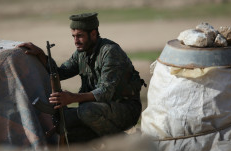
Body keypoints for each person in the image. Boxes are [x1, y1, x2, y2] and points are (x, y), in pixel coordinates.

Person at [18, 12, 145, 143]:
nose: (76, 41)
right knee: (63, 120)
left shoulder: (110, 51)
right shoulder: (81, 53)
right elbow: (61, 73)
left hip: (125, 109)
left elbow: (105, 92)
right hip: (101, 109)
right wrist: (41, 55)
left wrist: (72, 98)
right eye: (73, 36)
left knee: (86, 111)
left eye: (80, 36)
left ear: (93, 34)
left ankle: (126, 142)